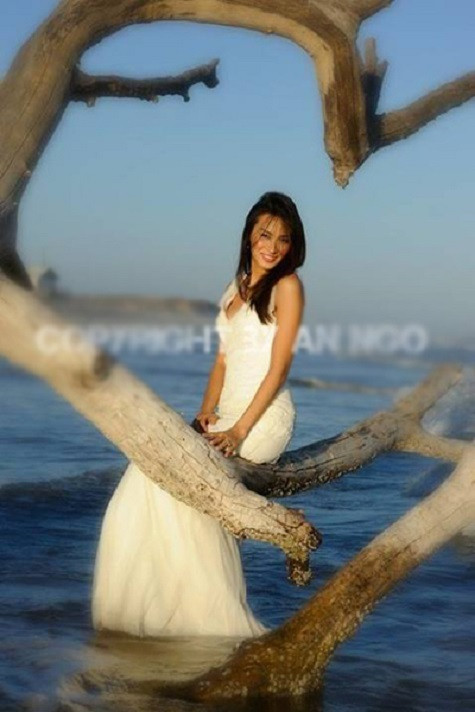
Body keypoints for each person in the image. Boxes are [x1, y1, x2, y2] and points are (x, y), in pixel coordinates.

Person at [91, 191, 306, 638]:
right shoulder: (234, 288)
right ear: (249, 236)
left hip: (262, 421)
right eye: (265, 235)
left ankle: (204, 616)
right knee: (147, 471)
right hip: (227, 415)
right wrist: (206, 412)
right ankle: (145, 606)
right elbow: (222, 364)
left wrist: (239, 430)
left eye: (283, 239)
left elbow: (279, 367)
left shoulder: (288, 286)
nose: (272, 246)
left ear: (292, 245)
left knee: (187, 479)